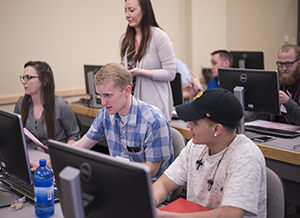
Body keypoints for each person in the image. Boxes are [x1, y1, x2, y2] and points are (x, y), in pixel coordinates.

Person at [152, 88, 267, 218]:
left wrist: (164, 215)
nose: (188, 125)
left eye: (195, 122)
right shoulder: (196, 146)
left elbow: (230, 214)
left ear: (216, 129)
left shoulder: (246, 157)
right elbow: (164, 183)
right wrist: (150, 204)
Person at [73, 63, 174, 182]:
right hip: (119, 179)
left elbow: (151, 170)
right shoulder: (105, 114)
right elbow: (81, 145)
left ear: (127, 91)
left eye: (108, 95)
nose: (104, 102)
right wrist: (54, 158)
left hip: (149, 186)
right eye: (100, 96)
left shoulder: (154, 121)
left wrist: (110, 167)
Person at [120, 0, 176, 122]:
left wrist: (140, 72)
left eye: (132, 10)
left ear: (144, 11)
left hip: (154, 108)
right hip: (130, 107)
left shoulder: (159, 37)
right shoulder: (125, 39)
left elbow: (170, 73)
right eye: (125, 11)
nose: (127, 15)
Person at [14, 61, 81, 149]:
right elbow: (15, 132)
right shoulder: (21, 103)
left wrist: (63, 155)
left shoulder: (60, 106)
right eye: (23, 77)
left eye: (28, 77)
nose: (23, 82)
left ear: (44, 80)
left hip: (54, 156)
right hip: (30, 153)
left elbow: (74, 135)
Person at [274, 44, 300, 126]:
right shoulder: (276, 81)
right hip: (275, 130)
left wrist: (288, 103)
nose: (284, 68)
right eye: (281, 64)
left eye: (288, 63)